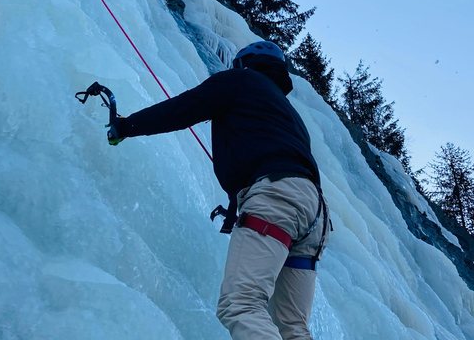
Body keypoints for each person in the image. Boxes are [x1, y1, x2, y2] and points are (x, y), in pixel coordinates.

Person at [107, 41, 329, 340]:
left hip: (277, 199)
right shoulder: (288, 113)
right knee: (292, 329)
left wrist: (127, 126)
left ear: (242, 63)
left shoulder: (240, 80)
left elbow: (183, 109)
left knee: (240, 305)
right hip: (314, 218)